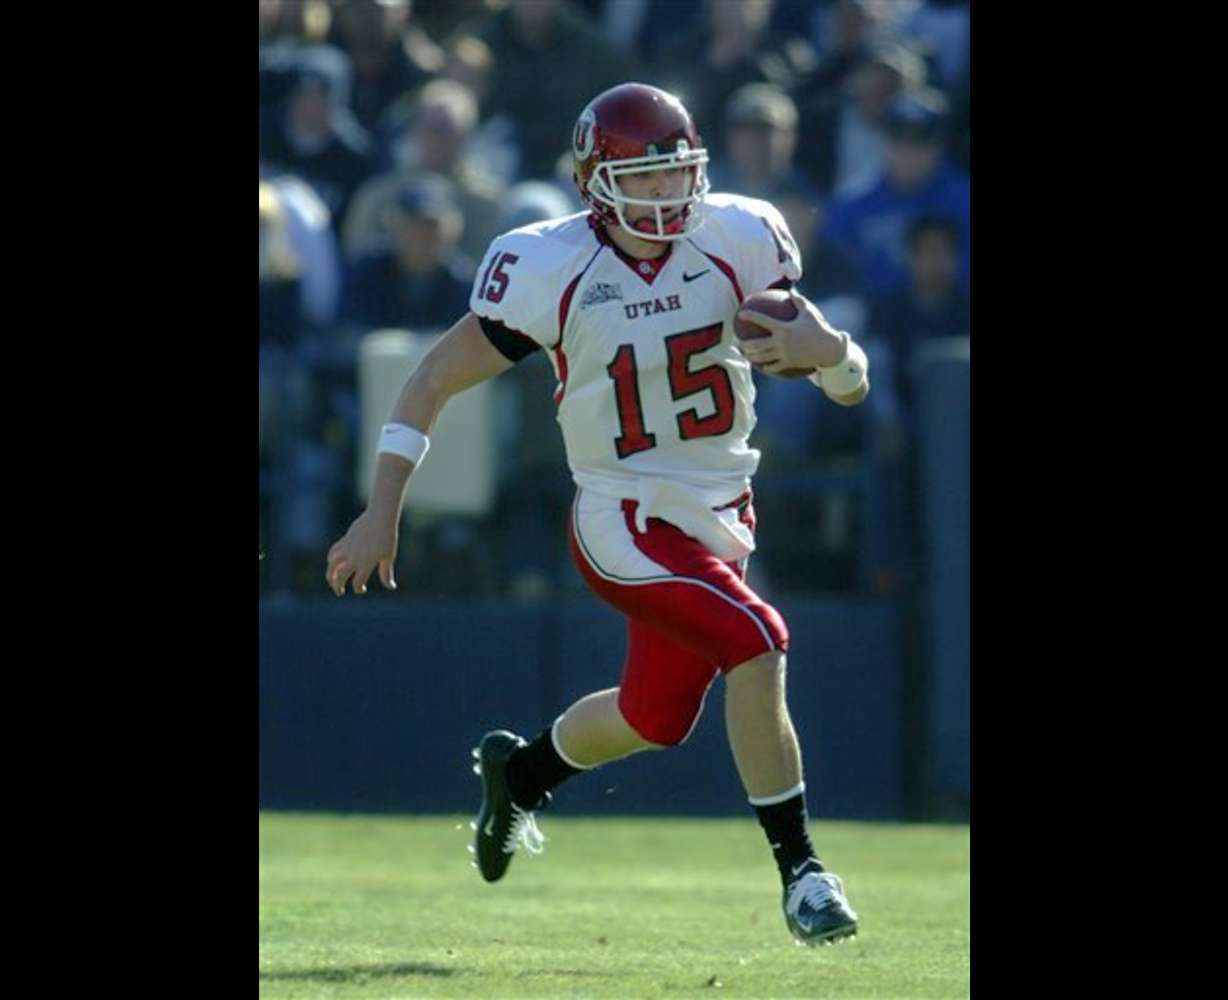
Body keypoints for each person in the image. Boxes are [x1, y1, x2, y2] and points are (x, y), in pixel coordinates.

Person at [324, 82, 867, 946]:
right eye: (646, 180)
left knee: (656, 719)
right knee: (756, 641)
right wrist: (379, 508)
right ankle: (803, 872)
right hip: (621, 513)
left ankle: (521, 775)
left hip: (721, 512)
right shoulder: (547, 265)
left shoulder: (742, 233)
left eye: (678, 174)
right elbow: (430, 380)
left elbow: (851, 384)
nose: (668, 196)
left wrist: (829, 351)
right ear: (595, 181)